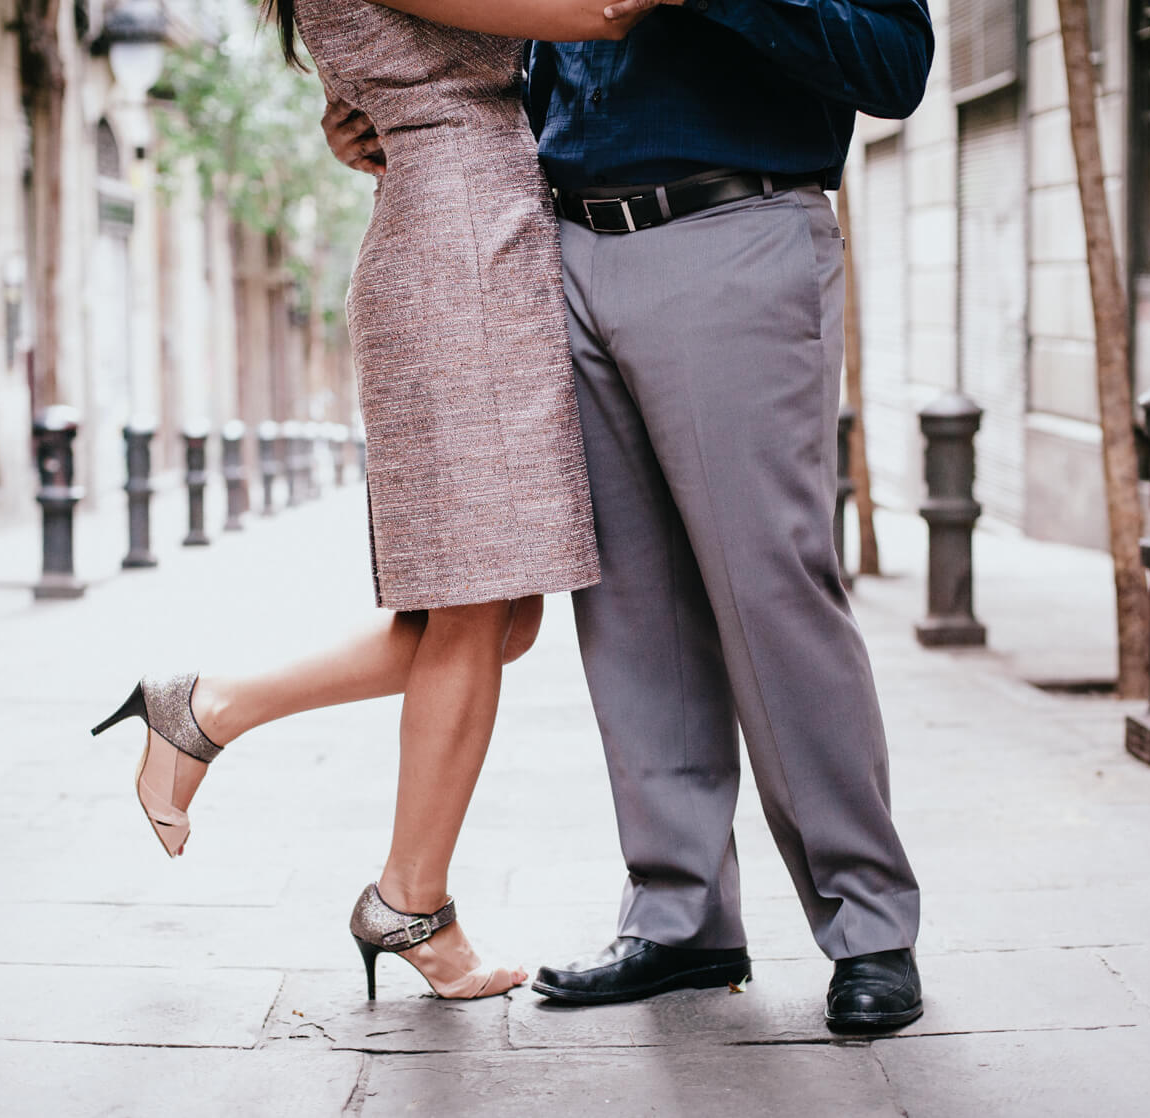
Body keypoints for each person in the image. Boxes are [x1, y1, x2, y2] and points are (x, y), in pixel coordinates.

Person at [326, 0, 934, 1033]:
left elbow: (895, 63)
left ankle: (868, 922)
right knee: (629, 608)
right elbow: (537, 68)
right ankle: (682, 918)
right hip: (562, 247)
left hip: (734, 230)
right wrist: (389, 117)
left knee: (772, 590)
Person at [92, 0, 644, 1003]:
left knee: (497, 619)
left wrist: (375, 108)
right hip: (458, 267)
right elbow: (604, 14)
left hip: (478, 244)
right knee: (475, 609)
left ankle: (207, 706)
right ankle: (411, 900)